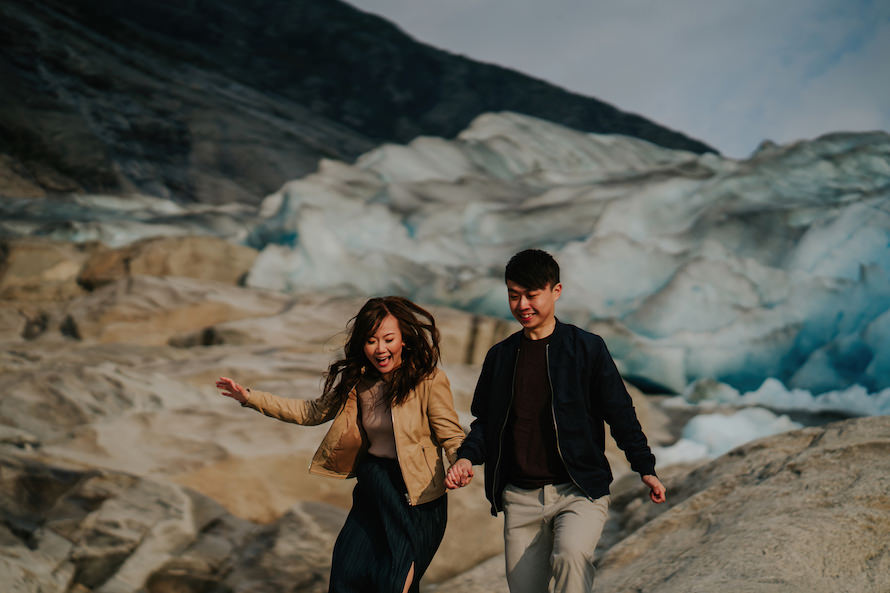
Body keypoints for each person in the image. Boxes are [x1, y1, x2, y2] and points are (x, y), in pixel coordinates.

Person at [445, 249, 666, 593]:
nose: (522, 305)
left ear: (556, 291)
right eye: (513, 296)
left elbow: (620, 412)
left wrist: (645, 467)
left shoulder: (587, 349)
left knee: (570, 556)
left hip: (578, 490)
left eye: (531, 295)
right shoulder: (501, 357)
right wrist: (465, 457)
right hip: (520, 497)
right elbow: (486, 423)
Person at [217, 296, 465, 593]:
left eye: (388, 339)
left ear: (404, 341)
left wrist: (460, 462)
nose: (380, 349)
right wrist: (249, 397)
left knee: (394, 585)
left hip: (417, 499)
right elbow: (311, 413)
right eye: (372, 340)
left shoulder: (429, 380)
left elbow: (451, 434)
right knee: (347, 579)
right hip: (373, 488)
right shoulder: (358, 382)